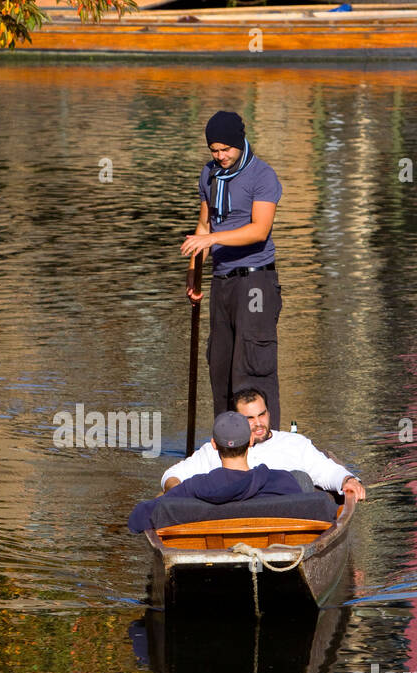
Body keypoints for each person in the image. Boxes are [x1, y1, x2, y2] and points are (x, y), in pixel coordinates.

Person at [181, 110, 285, 430]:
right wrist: (193, 278)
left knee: (251, 366)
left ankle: (264, 442)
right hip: (222, 281)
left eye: (226, 149)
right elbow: (203, 227)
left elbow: (259, 230)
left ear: (240, 143)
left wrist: (213, 238)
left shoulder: (262, 176)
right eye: (214, 150)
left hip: (256, 281)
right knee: (221, 365)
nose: (221, 156)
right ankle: (229, 443)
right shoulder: (209, 175)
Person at [161, 387, 366, 500]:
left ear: (268, 413)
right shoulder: (216, 450)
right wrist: (179, 495)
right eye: (250, 418)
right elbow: (171, 477)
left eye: (262, 414)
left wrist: (347, 479)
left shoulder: (294, 443)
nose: (259, 424)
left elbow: (326, 471)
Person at [128, 411, 303, 533]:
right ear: (251, 440)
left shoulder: (193, 488)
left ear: (214, 444)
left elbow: (137, 519)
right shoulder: (282, 480)